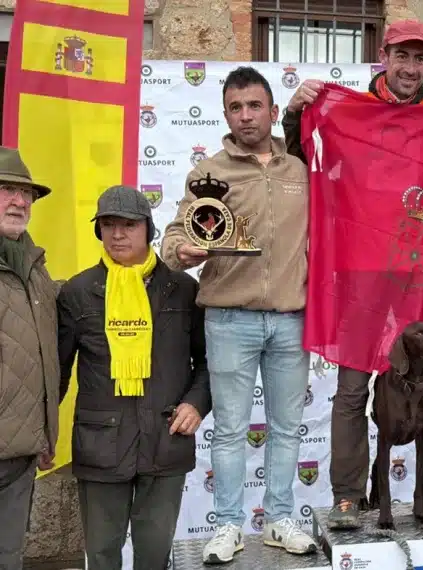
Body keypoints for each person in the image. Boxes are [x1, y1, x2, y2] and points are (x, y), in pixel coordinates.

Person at [282, 19, 423, 529]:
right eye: (402, 56)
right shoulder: (351, 111)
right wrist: (294, 114)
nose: (410, 66)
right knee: (353, 390)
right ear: (385, 56)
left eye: (420, 58)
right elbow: (304, 162)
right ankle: (348, 497)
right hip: (359, 277)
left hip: (418, 276)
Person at [161, 66, 316, 562]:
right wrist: (182, 251)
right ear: (225, 113)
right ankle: (228, 525)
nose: (246, 116)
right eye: (235, 107)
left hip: (292, 317)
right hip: (229, 319)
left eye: (255, 106)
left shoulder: (300, 169)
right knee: (229, 430)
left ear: (273, 112)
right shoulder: (210, 171)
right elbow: (174, 234)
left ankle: (279, 519)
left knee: (287, 428)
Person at [56, 186, 210, 570]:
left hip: (166, 439)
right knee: (103, 555)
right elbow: (56, 370)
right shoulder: (77, 292)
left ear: (149, 228)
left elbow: (210, 361)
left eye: (129, 225)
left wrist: (197, 403)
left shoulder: (184, 289)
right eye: (108, 225)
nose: (118, 234)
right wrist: (42, 432)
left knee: (155, 555)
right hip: (100, 444)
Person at [0, 147, 60, 570]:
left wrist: (45, 434)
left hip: (21, 453)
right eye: (6, 190)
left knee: (9, 557)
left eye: (26, 194)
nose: (20, 201)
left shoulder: (36, 271)